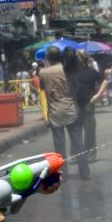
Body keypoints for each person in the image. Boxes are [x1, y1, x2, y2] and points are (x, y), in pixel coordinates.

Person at [38, 45, 89, 180]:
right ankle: (85, 173)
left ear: (48, 58)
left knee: (59, 147)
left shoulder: (43, 72)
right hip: (71, 108)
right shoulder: (68, 69)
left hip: (55, 111)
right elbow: (76, 87)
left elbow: (43, 89)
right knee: (78, 144)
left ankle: (63, 174)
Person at [75, 50, 107, 163]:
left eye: (78, 57)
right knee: (76, 131)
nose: (76, 59)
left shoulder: (91, 71)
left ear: (83, 58)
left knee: (89, 130)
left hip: (88, 103)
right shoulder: (73, 71)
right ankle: (77, 155)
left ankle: (91, 155)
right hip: (76, 104)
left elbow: (104, 81)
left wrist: (98, 95)